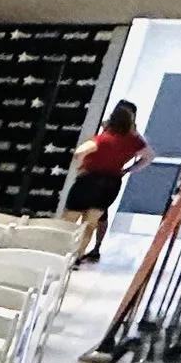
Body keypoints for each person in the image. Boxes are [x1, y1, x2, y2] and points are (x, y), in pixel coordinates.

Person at [65, 100, 151, 263]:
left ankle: (58, 253)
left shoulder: (104, 137)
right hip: (111, 183)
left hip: (88, 180)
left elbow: (80, 151)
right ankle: (76, 257)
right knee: (90, 223)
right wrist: (128, 170)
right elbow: (149, 156)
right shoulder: (135, 140)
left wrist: (82, 166)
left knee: (69, 219)